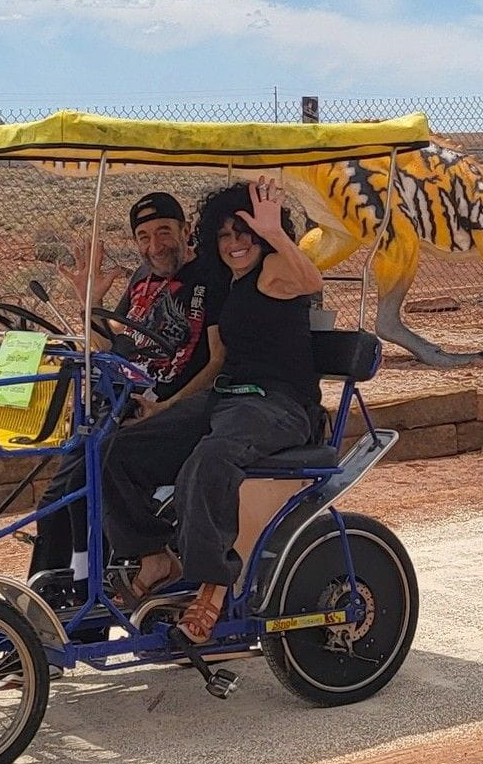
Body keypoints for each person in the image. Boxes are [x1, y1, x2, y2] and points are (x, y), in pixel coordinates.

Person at [101, 176, 323, 644]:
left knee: (210, 460)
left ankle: (213, 584)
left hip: (277, 404)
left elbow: (312, 280)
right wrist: (161, 407)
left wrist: (276, 233)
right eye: (224, 235)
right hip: (226, 397)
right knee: (118, 450)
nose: (235, 243)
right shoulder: (230, 285)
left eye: (245, 232)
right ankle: (154, 556)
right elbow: (213, 357)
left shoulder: (274, 271)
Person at [28, 191, 227, 589]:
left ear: (186, 230)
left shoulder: (212, 277)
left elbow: (218, 359)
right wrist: (91, 302)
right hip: (121, 402)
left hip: (168, 409)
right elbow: (108, 345)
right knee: (57, 500)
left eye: (165, 232)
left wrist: (169, 405)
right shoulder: (141, 279)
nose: (155, 246)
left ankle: (105, 581)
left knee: (92, 480)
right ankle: (52, 599)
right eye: (144, 236)